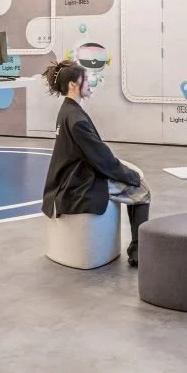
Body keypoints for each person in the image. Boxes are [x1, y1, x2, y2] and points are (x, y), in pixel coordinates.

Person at [41, 59, 151, 267]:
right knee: (142, 191)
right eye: (86, 80)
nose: (90, 84)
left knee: (134, 183)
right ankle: (139, 252)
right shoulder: (76, 119)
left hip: (70, 177)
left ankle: (138, 248)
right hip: (76, 185)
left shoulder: (67, 111)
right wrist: (131, 176)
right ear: (73, 85)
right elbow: (103, 160)